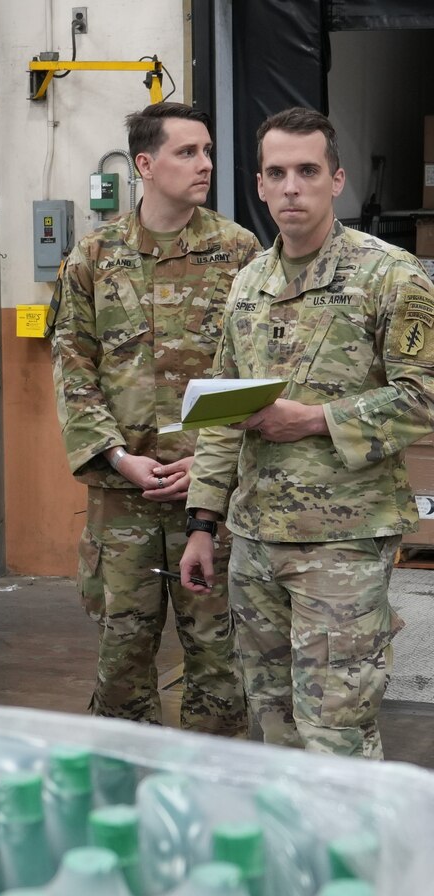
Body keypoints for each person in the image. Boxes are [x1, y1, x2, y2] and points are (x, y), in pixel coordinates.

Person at [180, 107, 434, 758]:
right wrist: (203, 523)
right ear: (260, 185)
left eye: (307, 171)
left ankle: (351, 833)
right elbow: (221, 409)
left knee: (335, 733)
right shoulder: (248, 284)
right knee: (273, 729)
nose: (291, 187)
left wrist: (318, 419)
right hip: (255, 540)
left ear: (337, 180)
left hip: (342, 544)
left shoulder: (390, 275)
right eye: (277, 173)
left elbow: (425, 394)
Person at [50, 102, 257, 734]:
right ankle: (123, 780)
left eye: (207, 151)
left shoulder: (239, 253)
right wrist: (118, 458)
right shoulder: (94, 258)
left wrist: (210, 464)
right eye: (187, 152)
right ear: (144, 164)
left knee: (220, 662)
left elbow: (255, 375)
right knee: (122, 657)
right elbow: (73, 368)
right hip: (124, 500)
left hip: (212, 498)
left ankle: (212, 779)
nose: (205, 164)